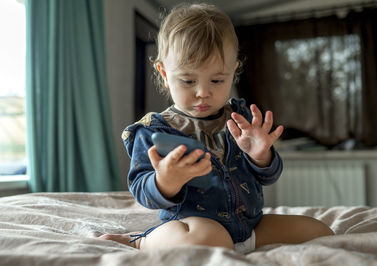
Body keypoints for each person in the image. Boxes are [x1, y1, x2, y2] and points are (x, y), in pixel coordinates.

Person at [100, 3, 334, 254]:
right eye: (188, 80)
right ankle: (141, 240)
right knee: (208, 239)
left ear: (233, 73)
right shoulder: (152, 131)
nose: (203, 93)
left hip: (250, 227)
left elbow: (269, 176)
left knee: (320, 232)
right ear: (164, 74)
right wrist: (165, 181)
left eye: (217, 80)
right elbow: (141, 191)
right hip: (194, 227)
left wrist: (261, 156)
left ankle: (236, 244)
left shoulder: (240, 117)